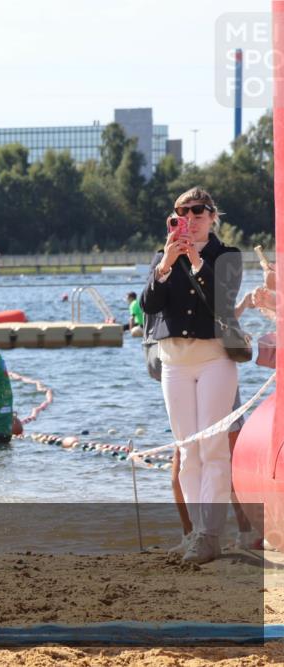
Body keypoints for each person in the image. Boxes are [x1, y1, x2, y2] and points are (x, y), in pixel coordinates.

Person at [140, 187, 242, 564]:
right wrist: (165, 264)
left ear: (213, 216)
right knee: (187, 448)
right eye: (183, 213)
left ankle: (209, 534)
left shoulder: (226, 255)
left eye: (199, 213)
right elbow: (149, 305)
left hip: (214, 357)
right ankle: (197, 532)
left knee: (213, 446)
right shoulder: (164, 255)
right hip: (174, 360)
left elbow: (222, 299)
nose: (192, 219)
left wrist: (197, 259)